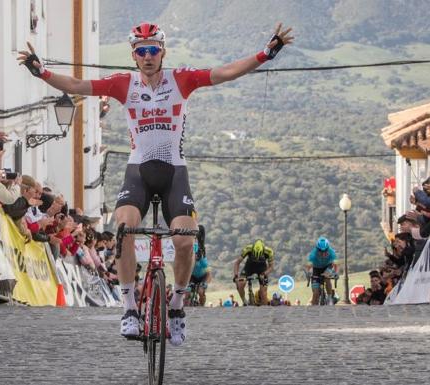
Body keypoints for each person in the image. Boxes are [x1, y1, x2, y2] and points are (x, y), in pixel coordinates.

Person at [18, 22, 294, 346]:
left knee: (185, 239)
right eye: (141, 51)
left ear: (162, 51)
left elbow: (226, 72)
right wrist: (42, 73)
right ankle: (130, 308)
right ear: (133, 55)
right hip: (139, 172)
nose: (147, 56)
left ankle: (176, 306)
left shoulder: (182, 80)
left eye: (153, 50)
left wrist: (266, 53)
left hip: (174, 173)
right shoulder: (124, 84)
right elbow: (79, 84)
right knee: (124, 228)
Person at [233, 239, 275, 306]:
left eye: (259, 256)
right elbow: (237, 263)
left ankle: (265, 309)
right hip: (249, 267)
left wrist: (264, 274)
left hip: (262, 269)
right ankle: (244, 300)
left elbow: (271, 267)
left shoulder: (269, 251)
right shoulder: (248, 248)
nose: (256, 259)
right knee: (240, 283)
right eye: (254, 256)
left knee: (263, 292)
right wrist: (235, 275)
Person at [306, 237, 338, 306]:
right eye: (321, 251)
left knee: (327, 278)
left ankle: (329, 298)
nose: (323, 253)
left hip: (327, 267)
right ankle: (314, 309)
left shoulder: (331, 252)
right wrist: (308, 273)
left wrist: (336, 273)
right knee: (315, 293)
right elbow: (308, 266)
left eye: (325, 251)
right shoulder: (313, 254)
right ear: (317, 249)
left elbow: (335, 264)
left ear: (328, 249)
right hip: (316, 269)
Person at [187, 224, 210, 306]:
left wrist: (199, 257)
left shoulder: (201, 250)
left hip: (203, 275)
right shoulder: (189, 247)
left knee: (200, 292)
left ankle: (202, 306)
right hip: (192, 275)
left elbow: (207, 271)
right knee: (187, 293)